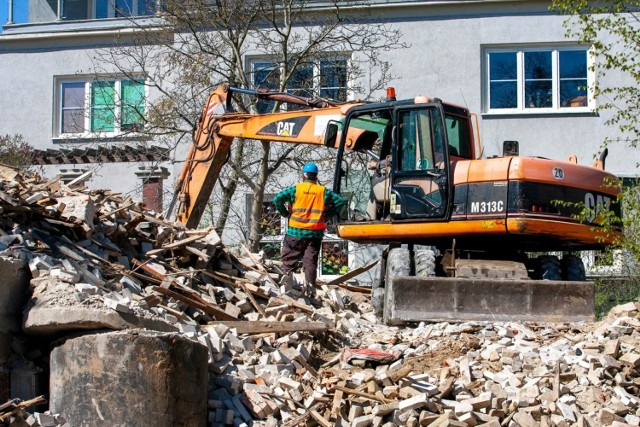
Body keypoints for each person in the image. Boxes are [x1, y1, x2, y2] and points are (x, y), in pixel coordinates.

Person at [273, 162, 346, 295]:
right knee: (310, 261)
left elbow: (277, 198)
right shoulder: (322, 191)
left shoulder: (296, 189)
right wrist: (326, 215)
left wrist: (285, 213)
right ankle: (311, 290)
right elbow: (340, 201)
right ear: (316, 177)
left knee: (289, 260)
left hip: (295, 232)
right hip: (315, 233)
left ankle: (285, 289)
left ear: (303, 176)